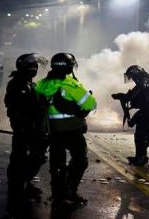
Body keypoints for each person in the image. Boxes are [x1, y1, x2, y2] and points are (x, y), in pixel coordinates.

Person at [35, 53, 97, 208]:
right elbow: (91, 105)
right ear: (69, 67)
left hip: (51, 131)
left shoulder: (41, 84)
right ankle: (70, 190)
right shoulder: (70, 85)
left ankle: (57, 194)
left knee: (56, 164)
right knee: (80, 160)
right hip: (72, 129)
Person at [4, 53, 48, 210]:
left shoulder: (30, 84)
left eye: (35, 66)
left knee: (37, 157)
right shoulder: (17, 84)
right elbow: (16, 108)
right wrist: (23, 126)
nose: (35, 69)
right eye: (32, 66)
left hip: (33, 129)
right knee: (19, 158)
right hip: (24, 128)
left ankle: (23, 183)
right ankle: (16, 190)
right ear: (23, 67)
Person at [112, 65, 149, 166]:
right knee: (148, 134)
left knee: (141, 135)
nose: (132, 79)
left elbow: (139, 97)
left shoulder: (145, 82)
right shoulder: (146, 81)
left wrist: (127, 99)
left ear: (136, 74)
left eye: (132, 76)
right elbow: (134, 94)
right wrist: (122, 96)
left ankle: (141, 158)